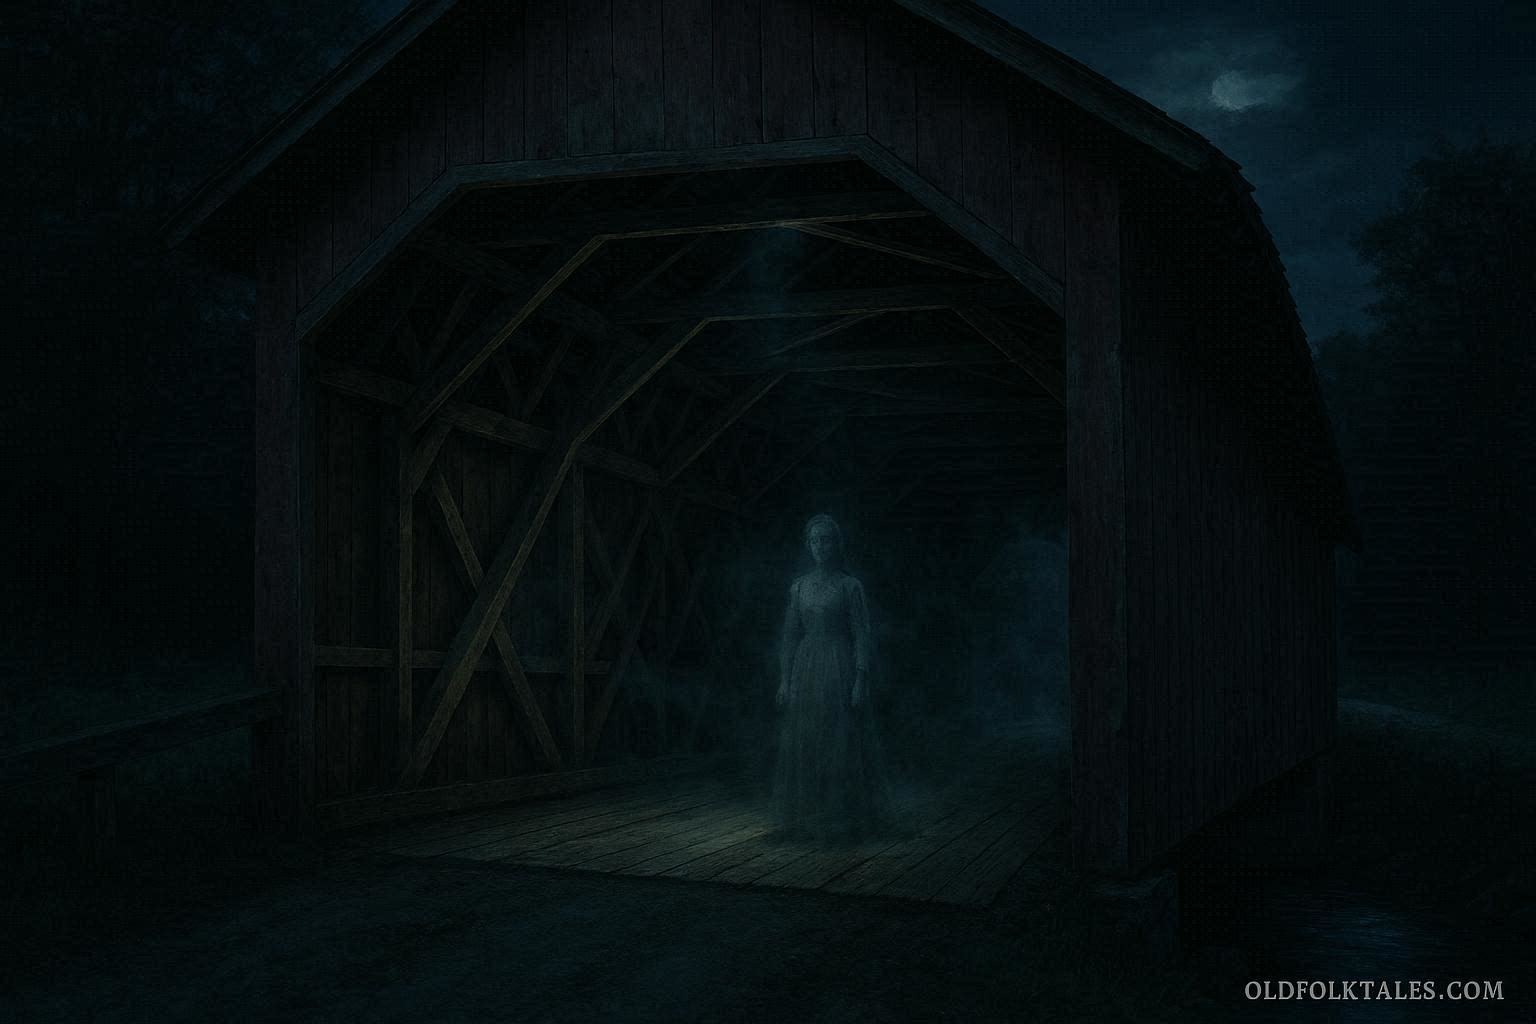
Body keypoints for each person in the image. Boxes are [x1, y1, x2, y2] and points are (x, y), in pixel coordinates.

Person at [770, 514, 894, 842]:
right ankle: (810, 814)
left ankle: (841, 815)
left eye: (825, 540)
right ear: (808, 545)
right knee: (807, 737)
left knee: (840, 738)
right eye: (814, 541)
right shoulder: (799, 586)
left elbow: (861, 634)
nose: (819, 546)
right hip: (807, 666)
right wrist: (785, 679)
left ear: (836, 544)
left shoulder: (850, 586)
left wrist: (860, 678)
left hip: (839, 663)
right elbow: (789, 636)